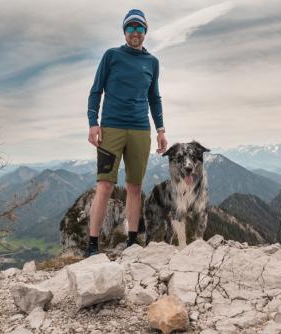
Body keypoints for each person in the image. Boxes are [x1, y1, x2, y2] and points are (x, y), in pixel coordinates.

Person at [85, 9, 167, 257]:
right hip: (111, 128)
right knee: (105, 186)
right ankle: (92, 246)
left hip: (141, 130)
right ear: (124, 31)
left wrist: (161, 130)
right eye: (130, 28)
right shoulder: (111, 56)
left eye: (139, 28)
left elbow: (154, 97)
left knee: (134, 186)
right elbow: (95, 90)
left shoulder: (152, 62)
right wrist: (93, 122)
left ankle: (132, 243)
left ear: (145, 32)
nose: (135, 32)